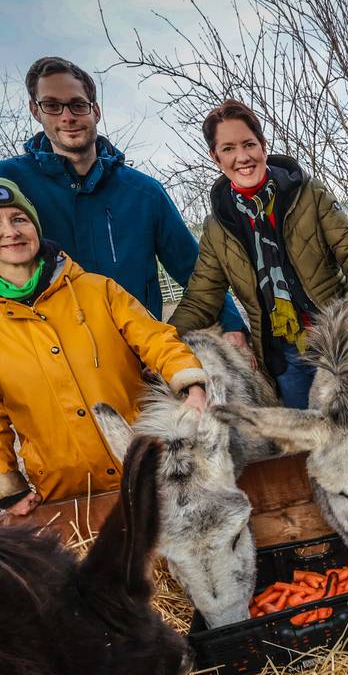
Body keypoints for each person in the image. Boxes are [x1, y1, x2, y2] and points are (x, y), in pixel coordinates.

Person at [0, 179, 208, 518]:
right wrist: (8, 489)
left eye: (19, 219)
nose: (11, 232)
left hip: (146, 470)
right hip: (68, 495)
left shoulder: (99, 291)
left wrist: (191, 385)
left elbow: (158, 340)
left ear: (35, 224)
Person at [0, 56, 246, 340]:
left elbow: (194, 270)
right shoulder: (10, 183)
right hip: (48, 352)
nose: (67, 117)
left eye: (78, 105)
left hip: (136, 349)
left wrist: (233, 326)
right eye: (52, 106)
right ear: (35, 110)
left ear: (95, 110)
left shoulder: (144, 192)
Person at [169, 100, 348, 409]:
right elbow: (201, 299)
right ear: (215, 157)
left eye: (249, 144)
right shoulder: (218, 228)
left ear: (263, 145)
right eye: (228, 149)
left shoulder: (309, 194)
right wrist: (161, 344)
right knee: (307, 433)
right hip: (285, 357)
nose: (242, 157)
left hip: (335, 342)